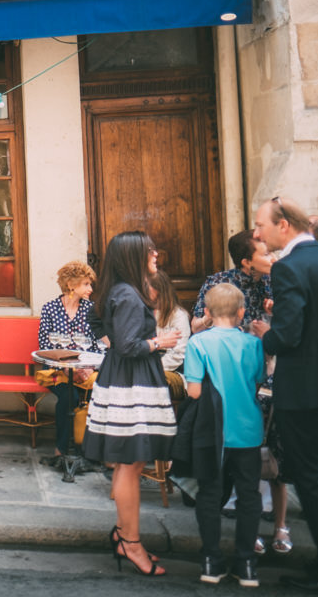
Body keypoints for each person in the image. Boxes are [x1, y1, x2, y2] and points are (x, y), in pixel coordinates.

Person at [82, 230, 180, 577]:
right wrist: (158, 341)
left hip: (130, 380)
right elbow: (126, 346)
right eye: (149, 250)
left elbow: (100, 325)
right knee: (131, 463)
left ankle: (126, 536)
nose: (156, 254)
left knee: (133, 463)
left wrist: (116, 339)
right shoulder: (126, 294)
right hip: (131, 383)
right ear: (133, 256)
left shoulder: (121, 291)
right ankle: (130, 542)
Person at [250, 197, 318, 591]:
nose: (256, 233)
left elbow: (288, 335)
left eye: (260, 225)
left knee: (311, 478)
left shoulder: (288, 267)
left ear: (283, 225)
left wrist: (268, 334)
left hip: (304, 391)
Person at [186, 283, 265, 588]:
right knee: (248, 496)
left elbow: (193, 391)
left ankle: (211, 560)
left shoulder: (198, 343)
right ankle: (246, 563)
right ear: (241, 313)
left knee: (209, 494)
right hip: (248, 430)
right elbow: (258, 380)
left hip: (212, 431)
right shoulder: (254, 345)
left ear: (206, 312)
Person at [36, 261, 102, 464]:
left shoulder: (92, 310)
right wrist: (68, 367)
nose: (90, 289)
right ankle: (62, 451)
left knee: (100, 393)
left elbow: (98, 346)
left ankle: (92, 451)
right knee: (69, 396)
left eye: (90, 284)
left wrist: (87, 367)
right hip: (57, 370)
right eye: (86, 284)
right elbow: (45, 346)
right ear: (71, 285)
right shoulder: (50, 309)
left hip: (86, 370)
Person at [192, 230, 272, 334]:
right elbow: (195, 328)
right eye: (266, 254)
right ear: (246, 262)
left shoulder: (274, 280)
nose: (274, 258)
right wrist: (213, 313)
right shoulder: (218, 283)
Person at [150, 269, 190, 400]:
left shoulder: (178, 316)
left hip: (172, 369)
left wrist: (151, 369)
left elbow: (177, 355)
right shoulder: (144, 312)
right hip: (148, 364)